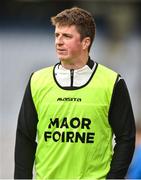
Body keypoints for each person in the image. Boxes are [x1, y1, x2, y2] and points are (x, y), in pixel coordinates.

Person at [14, 7, 136, 179]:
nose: (59, 41)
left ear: (86, 42)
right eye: (57, 35)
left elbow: (126, 139)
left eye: (67, 36)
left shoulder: (112, 82)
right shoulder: (37, 81)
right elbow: (24, 137)